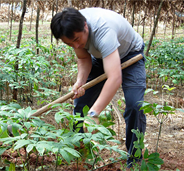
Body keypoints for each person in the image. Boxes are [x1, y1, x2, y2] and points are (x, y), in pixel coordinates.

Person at [51, 7, 146, 168]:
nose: (76, 45)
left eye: (77, 39)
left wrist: (94, 113)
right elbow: (83, 59)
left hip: (130, 55)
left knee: (134, 105)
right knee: (81, 101)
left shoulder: (103, 30)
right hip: (102, 56)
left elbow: (115, 78)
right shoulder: (73, 29)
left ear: (86, 27)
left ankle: (134, 160)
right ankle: (80, 152)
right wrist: (80, 82)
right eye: (69, 43)